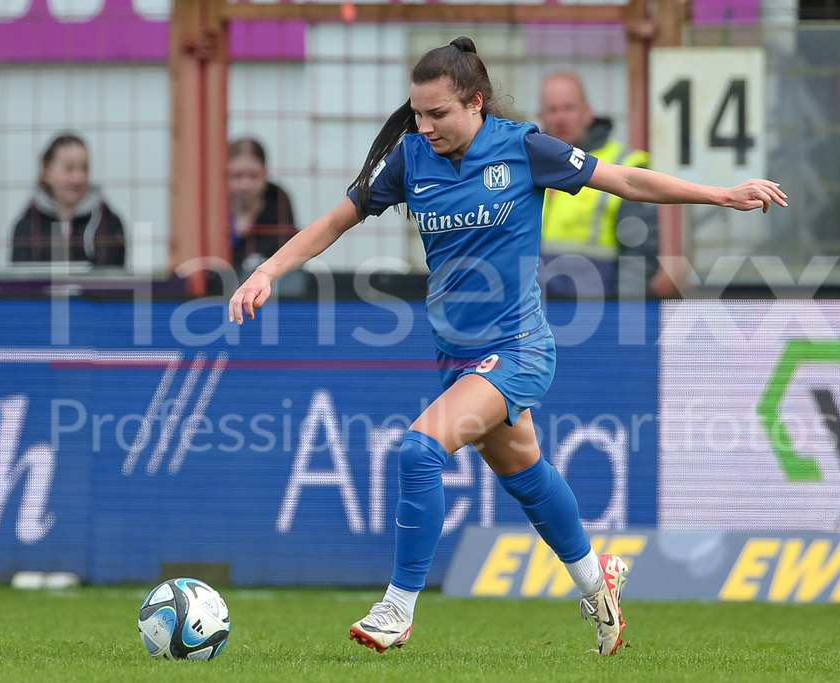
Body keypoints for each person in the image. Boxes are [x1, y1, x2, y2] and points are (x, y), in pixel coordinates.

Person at [229, 37, 786, 655]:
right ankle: (594, 579)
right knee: (525, 474)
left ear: (475, 102)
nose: (424, 125)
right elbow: (336, 220)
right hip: (456, 354)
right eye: (417, 113)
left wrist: (721, 193)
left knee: (419, 450)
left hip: (518, 348)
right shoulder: (411, 159)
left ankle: (398, 607)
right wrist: (266, 272)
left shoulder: (523, 148)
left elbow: (624, 179)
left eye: (438, 113)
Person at [538, 71, 658, 298]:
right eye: (553, 110)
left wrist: (622, 319)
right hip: (537, 314)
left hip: (598, 313)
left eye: (569, 108)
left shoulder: (625, 165)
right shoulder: (529, 165)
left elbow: (639, 255)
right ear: (541, 115)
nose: (561, 118)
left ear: (587, 112)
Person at [10, 133, 126, 266]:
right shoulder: (27, 226)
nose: (78, 177)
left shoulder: (109, 223)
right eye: (69, 169)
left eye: (84, 168)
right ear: (47, 171)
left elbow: (113, 279)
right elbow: (21, 281)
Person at [227, 137, 298, 278]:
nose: (245, 184)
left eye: (254, 176)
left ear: (265, 173)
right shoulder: (215, 206)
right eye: (237, 176)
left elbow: (287, 251)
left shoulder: (278, 199)